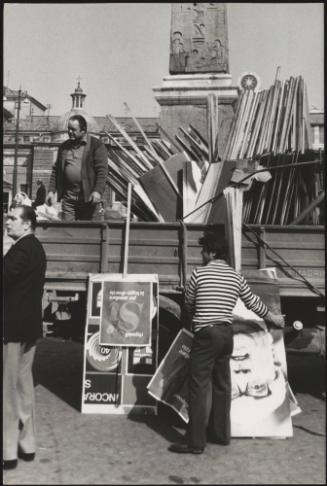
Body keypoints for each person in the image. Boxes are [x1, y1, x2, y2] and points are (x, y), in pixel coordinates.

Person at [168, 232, 285, 454]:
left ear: (212, 253)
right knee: (222, 385)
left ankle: (195, 442)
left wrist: (197, 319)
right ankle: (220, 435)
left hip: (206, 334)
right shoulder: (235, 277)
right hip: (226, 334)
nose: (201, 255)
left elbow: (189, 302)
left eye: (204, 251)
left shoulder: (199, 275)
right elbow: (253, 303)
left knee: (199, 386)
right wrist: (273, 318)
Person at [3, 205, 47, 470]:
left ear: (27, 224)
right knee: (24, 387)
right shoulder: (37, 248)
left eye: (12, 218)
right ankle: (27, 444)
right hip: (29, 328)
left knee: (7, 392)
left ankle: (7, 451)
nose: (7, 222)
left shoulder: (19, 251)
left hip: (11, 329)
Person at [46, 114, 108, 221]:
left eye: (73, 129)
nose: (70, 132)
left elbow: (102, 171)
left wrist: (97, 191)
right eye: (69, 129)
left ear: (83, 130)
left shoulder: (96, 145)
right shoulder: (64, 147)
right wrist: (51, 191)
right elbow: (56, 171)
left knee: (93, 233)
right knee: (69, 233)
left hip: (90, 200)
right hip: (69, 201)